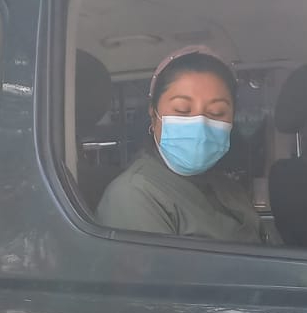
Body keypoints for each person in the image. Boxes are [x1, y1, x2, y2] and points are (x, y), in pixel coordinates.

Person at [96, 47, 265, 242]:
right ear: (153, 116)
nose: (200, 124)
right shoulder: (133, 195)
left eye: (217, 112)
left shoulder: (228, 188)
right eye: (182, 110)